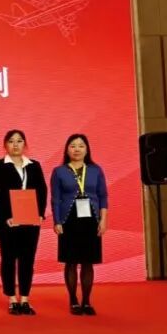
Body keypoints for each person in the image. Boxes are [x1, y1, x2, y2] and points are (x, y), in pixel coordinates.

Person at [0, 130, 48, 315]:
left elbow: (42, 191)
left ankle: (24, 299)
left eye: (19, 141)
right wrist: (7, 217)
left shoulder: (34, 166)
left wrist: (40, 214)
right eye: (11, 141)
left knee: (27, 260)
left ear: (25, 144)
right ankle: (12, 299)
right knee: (8, 259)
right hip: (7, 222)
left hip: (30, 221)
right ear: (5, 145)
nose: (15, 145)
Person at [51, 133, 108, 315]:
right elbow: (56, 199)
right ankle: (73, 300)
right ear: (67, 150)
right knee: (71, 261)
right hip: (69, 220)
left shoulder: (96, 170)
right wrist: (57, 221)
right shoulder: (59, 171)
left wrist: (103, 219)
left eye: (81, 146)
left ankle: (87, 301)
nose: (77, 149)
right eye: (73, 146)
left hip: (91, 219)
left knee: (87, 262)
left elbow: (103, 196)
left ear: (87, 149)